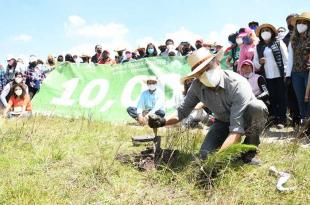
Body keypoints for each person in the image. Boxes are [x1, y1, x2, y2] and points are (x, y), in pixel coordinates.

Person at [148, 48, 268, 162]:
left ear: (218, 64)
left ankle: (250, 149)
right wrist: (162, 121)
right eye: (200, 72)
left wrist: (217, 161)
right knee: (205, 155)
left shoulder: (236, 83)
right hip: (222, 122)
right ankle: (229, 151)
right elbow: (182, 112)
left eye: (208, 68)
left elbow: (236, 130)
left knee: (257, 107)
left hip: (245, 118)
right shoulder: (196, 86)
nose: (205, 74)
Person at [254, 23, 288, 127]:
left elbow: (286, 58)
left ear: (272, 32)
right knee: (271, 97)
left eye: (267, 30)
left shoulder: (279, 42)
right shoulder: (258, 46)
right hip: (267, 76)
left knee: (281, 97)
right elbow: (255, 63)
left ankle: (282, 120)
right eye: (263, 31)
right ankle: (273, 118)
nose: (265, 32)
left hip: (279, 75)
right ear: (260, 34)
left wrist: (286, 74)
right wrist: (260, 62)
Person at [287, 12, 310, 122]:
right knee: (300, 99)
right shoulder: (293, 40)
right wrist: (288, 75)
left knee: (309, 98)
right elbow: (290, 58)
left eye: (304, 22)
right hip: (296, 73)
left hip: (308, 73)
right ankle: (304, 120)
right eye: (299, 22)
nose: (301, 24)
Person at [283, 13, 301, 127]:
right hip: (292, 72)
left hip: (305, 70)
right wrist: (287, 74)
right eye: (288, 22)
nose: (290, 24)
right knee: (293, 97)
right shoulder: (285, 39)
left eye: (292, 21)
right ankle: (295, 120)